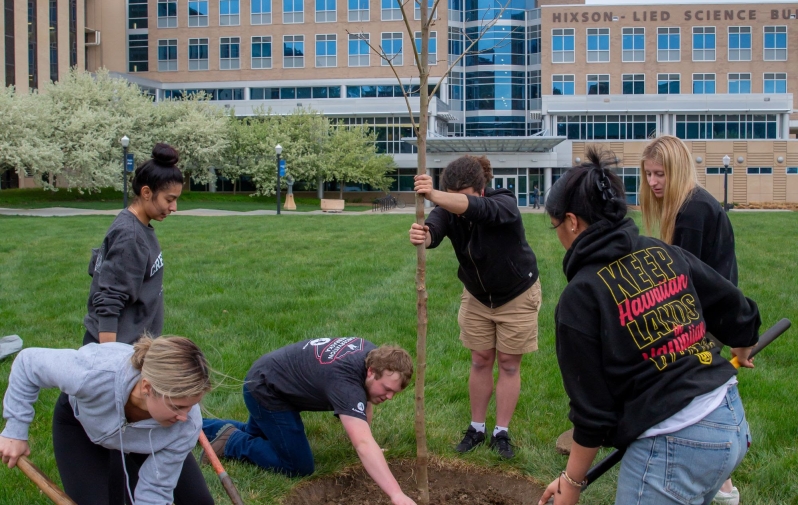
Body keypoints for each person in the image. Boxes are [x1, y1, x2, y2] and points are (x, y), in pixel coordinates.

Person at [537, 147, 760, 505]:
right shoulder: (661, 252)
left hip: (675, 442)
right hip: (729, 419)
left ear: (572, 221)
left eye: (556, 226)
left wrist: (571, 483)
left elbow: (592, 411)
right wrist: (743, 343)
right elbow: (734, 305)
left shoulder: (581, 296)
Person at [408, 155, 541, 459]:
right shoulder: (447, 210)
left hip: (516, 293)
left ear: (481, 190)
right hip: (478, 296)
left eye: (462, 196)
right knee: (480, 359)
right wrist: (423, 235)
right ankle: (477, 428)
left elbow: (479, 210)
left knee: (508, 363)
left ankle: (501, 432)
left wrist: (437, 196)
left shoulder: (504, 202)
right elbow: (435, 229)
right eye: (450, 196)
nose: (454, 204)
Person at [640, 135, 741, 505]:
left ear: (678, 170)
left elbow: (685, 283)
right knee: (699, 402)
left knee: (692, 402)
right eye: (649, 174)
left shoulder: (693, 211)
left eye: (661, 174)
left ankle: (723, 490)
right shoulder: (689, 206)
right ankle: (721, 486)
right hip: (708, 319)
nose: (653, 183)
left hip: (705, 323)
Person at [0, 336, 214, 505]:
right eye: (178, 406)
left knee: (199, 501)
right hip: (81, 425)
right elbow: (27, 363)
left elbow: (156, 490)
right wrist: (15, 430)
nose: (185, 416)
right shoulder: (91, 372)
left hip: (149, 437)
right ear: (147, 387)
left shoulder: (185, 425)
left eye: (190, 405)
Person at [202, 337, 417, 505]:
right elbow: (362, 444)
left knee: (257, 434)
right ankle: (232, 442)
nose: (389, 397)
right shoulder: (346, 384)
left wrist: (369, 438)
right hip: (267, 392)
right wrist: (396, 494)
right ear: (371, 372)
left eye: (394, 393)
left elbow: (363, 407)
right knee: (298, 466)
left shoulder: (371, 355)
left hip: (268, 374)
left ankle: (196, 426)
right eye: (387, 389)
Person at [84, 143, 183, 346]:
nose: (174, 207)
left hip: (131, 346)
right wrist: (108, 359)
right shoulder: (131, 236)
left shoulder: (136, 225)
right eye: (169, 199)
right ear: (147, 192)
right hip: (118, 349)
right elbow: (109, 301)